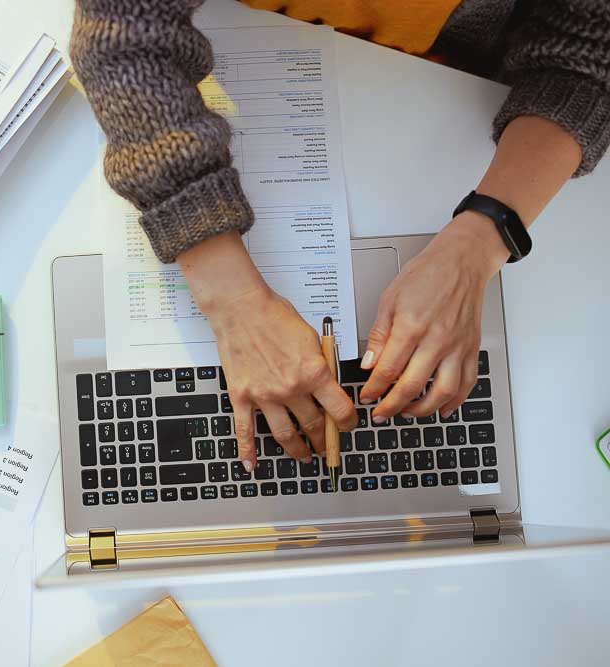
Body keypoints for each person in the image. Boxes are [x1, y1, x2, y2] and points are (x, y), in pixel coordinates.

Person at [70, 0, 609, 473]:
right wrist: (230, 298)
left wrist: (481, 239)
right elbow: (123, 45)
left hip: (453, 110)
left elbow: (587, 58)